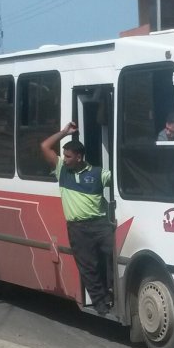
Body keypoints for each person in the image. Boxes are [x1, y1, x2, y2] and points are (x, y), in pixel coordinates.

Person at [40, 122, 114, 315]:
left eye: (68, 156)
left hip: (101, 225)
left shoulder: (98, 173)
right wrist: (64, 132)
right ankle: (100, 303)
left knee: (113, 257)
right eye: (64, 156)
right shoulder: (61, 170)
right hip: (78, 228)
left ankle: (111, 292)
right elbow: (44, 146)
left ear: (79, 157)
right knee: (88, 267)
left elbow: (120, 180)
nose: (64, 159)